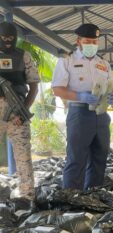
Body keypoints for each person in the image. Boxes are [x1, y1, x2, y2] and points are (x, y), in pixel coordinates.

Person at [52, 23, 113, 190]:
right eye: (88, 41)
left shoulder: (104, 64)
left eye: (95, 42)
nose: (92, 45)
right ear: (78, 41)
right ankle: (71, 201)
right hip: (79, 114)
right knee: (76, 159)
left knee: (99, 157)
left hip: (101, 115)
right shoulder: (67, 61)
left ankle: (92, 197)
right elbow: (57, 89)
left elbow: (112, 85)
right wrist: (79, 96)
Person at [0, 21, 39, 200]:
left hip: (17, 111)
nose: (7, 41)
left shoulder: (24, 56)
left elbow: (34, 87)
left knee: (23, 156)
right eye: (3, 37)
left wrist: (23, 112)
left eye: (11, 38)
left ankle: (27, 196)